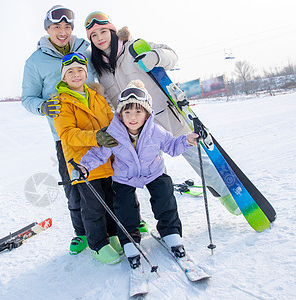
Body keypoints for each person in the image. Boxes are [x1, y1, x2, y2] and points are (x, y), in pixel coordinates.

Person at [84, 11, 240, 215]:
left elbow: (172, 55)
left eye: (103, 31)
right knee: (157, 179)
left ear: (112, 31)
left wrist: (155, 57)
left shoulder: (133, 47)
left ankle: (229, 198)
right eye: (93, 36)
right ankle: (167, 221)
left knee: (199, 160)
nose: (99, 38)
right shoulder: (99, 68)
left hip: (166, 116)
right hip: (136, 129)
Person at [80, 80, 199, 267]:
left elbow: (173, 146)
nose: (132, 117)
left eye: (138, 112)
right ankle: (130, 239)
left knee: (164, 194)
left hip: (153, 172)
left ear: (147, 113)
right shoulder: (114, 133)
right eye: (127, 112)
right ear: (120, 114)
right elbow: (99, 153)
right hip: (124, 176)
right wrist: (84, 166)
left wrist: (187, 140)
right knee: (124, 206)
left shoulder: (156, 131)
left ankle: (170, 232)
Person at [21, 6, 96, 255]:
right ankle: (82, 233)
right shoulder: (35, 61)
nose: (62, 32)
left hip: (97, 127)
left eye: (67, 27)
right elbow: (27, 98)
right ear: (47, 29)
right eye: (56, 27)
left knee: (109, 176)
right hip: (64, 134)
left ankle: (122, 221)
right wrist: (42, 106)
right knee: (74, 184)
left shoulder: (86, 48)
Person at [53, 52, 123, 265]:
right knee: (93, 205)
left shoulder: (97, 97)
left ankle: (112, 235)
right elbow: (67, 134)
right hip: (82, 162)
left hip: (104, 158)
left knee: (110, 199)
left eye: (80, 71)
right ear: (64, 77)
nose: (76, 75)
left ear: (86, 74)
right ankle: (98, 244)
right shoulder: (61, 103)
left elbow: (112, 121)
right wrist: (96, 137)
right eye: (70, 72)